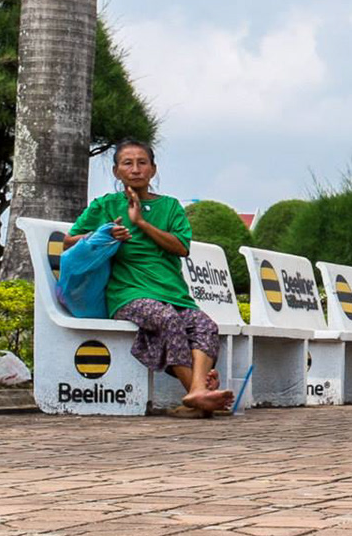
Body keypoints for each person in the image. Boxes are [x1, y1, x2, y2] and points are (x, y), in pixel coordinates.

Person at [63, 140, 231, 417]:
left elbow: (181, 247)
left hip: (174, 294)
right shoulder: (105, 205)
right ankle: (199, 392)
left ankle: (196, 396)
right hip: (128, 295)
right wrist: (104, 234)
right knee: (167, 319)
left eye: (142, 163)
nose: (135, 169)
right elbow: (69, 241)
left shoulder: (170, 206)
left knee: (205, 325)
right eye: (127, 163)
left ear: (153, 169)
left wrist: (141, 222)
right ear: (116, 171)